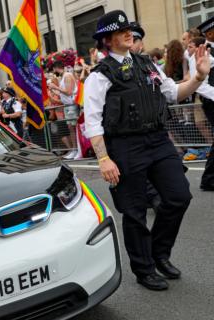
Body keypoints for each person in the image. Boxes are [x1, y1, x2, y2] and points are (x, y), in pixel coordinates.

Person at [84, 10, 211, 290]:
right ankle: (144, 269)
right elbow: (92, 123)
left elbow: (173, 93)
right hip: (124, 147)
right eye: (121, 31)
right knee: (135, 211)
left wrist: (199, 77)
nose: (129, 33)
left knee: (178, 196)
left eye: (130, 29)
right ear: (107, 39)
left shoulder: (147, 65)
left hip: (157, 140)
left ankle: (158, 253)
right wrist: (104, 158)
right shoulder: (99, 77)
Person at [195, 17, 214, 190]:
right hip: (211, 102)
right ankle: (208, 178)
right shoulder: (205, 52)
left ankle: (208, 178)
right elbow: (200, 84)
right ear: (209, 33)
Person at [49, 60, 79, 159]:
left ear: (56, 68)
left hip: (71, 106)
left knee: (73, 129)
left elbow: (69, 92)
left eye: (53, 69)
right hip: (67, 106)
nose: (54, 72)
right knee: (71, 129)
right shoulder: (64, 77)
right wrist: (52, 91)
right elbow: (63, 95)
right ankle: (74, 150)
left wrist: (55, 87)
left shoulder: (67, 75)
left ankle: (77, 150)